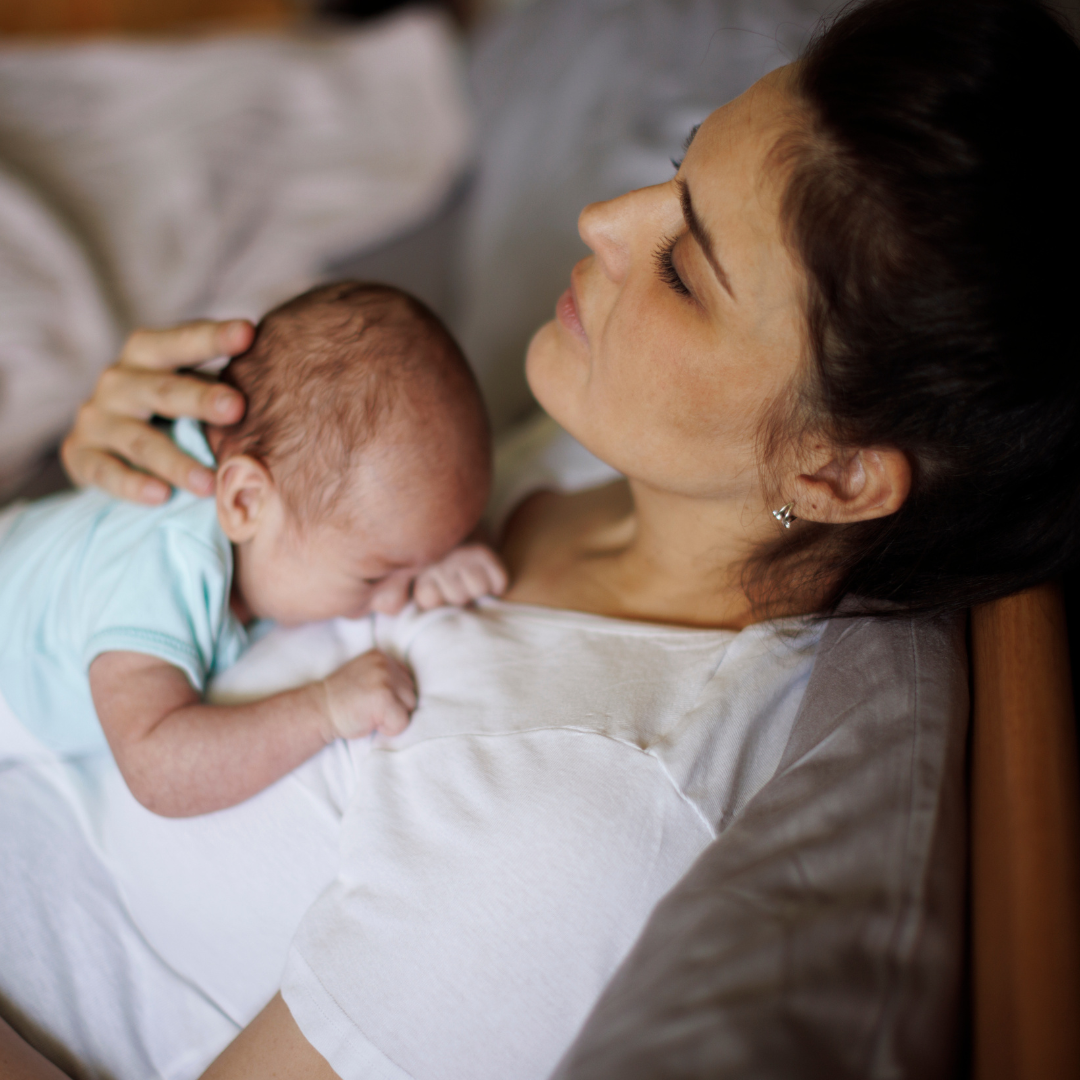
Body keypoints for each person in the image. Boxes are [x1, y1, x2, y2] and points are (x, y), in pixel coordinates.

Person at [2, 0, 1078, 1077]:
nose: (602, 221)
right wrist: (139, 484)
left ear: (832, 474)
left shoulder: (574, 820)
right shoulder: (610, 461)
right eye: (676, 168)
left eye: (683, 268)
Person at [0, 281, 506, 817]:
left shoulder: (280, 494)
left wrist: (439, 555)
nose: (394, 600)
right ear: (245, 500)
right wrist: (324, 708)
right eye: (374, 577)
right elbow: (156, 767)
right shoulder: (165, 569)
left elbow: (392, 516)